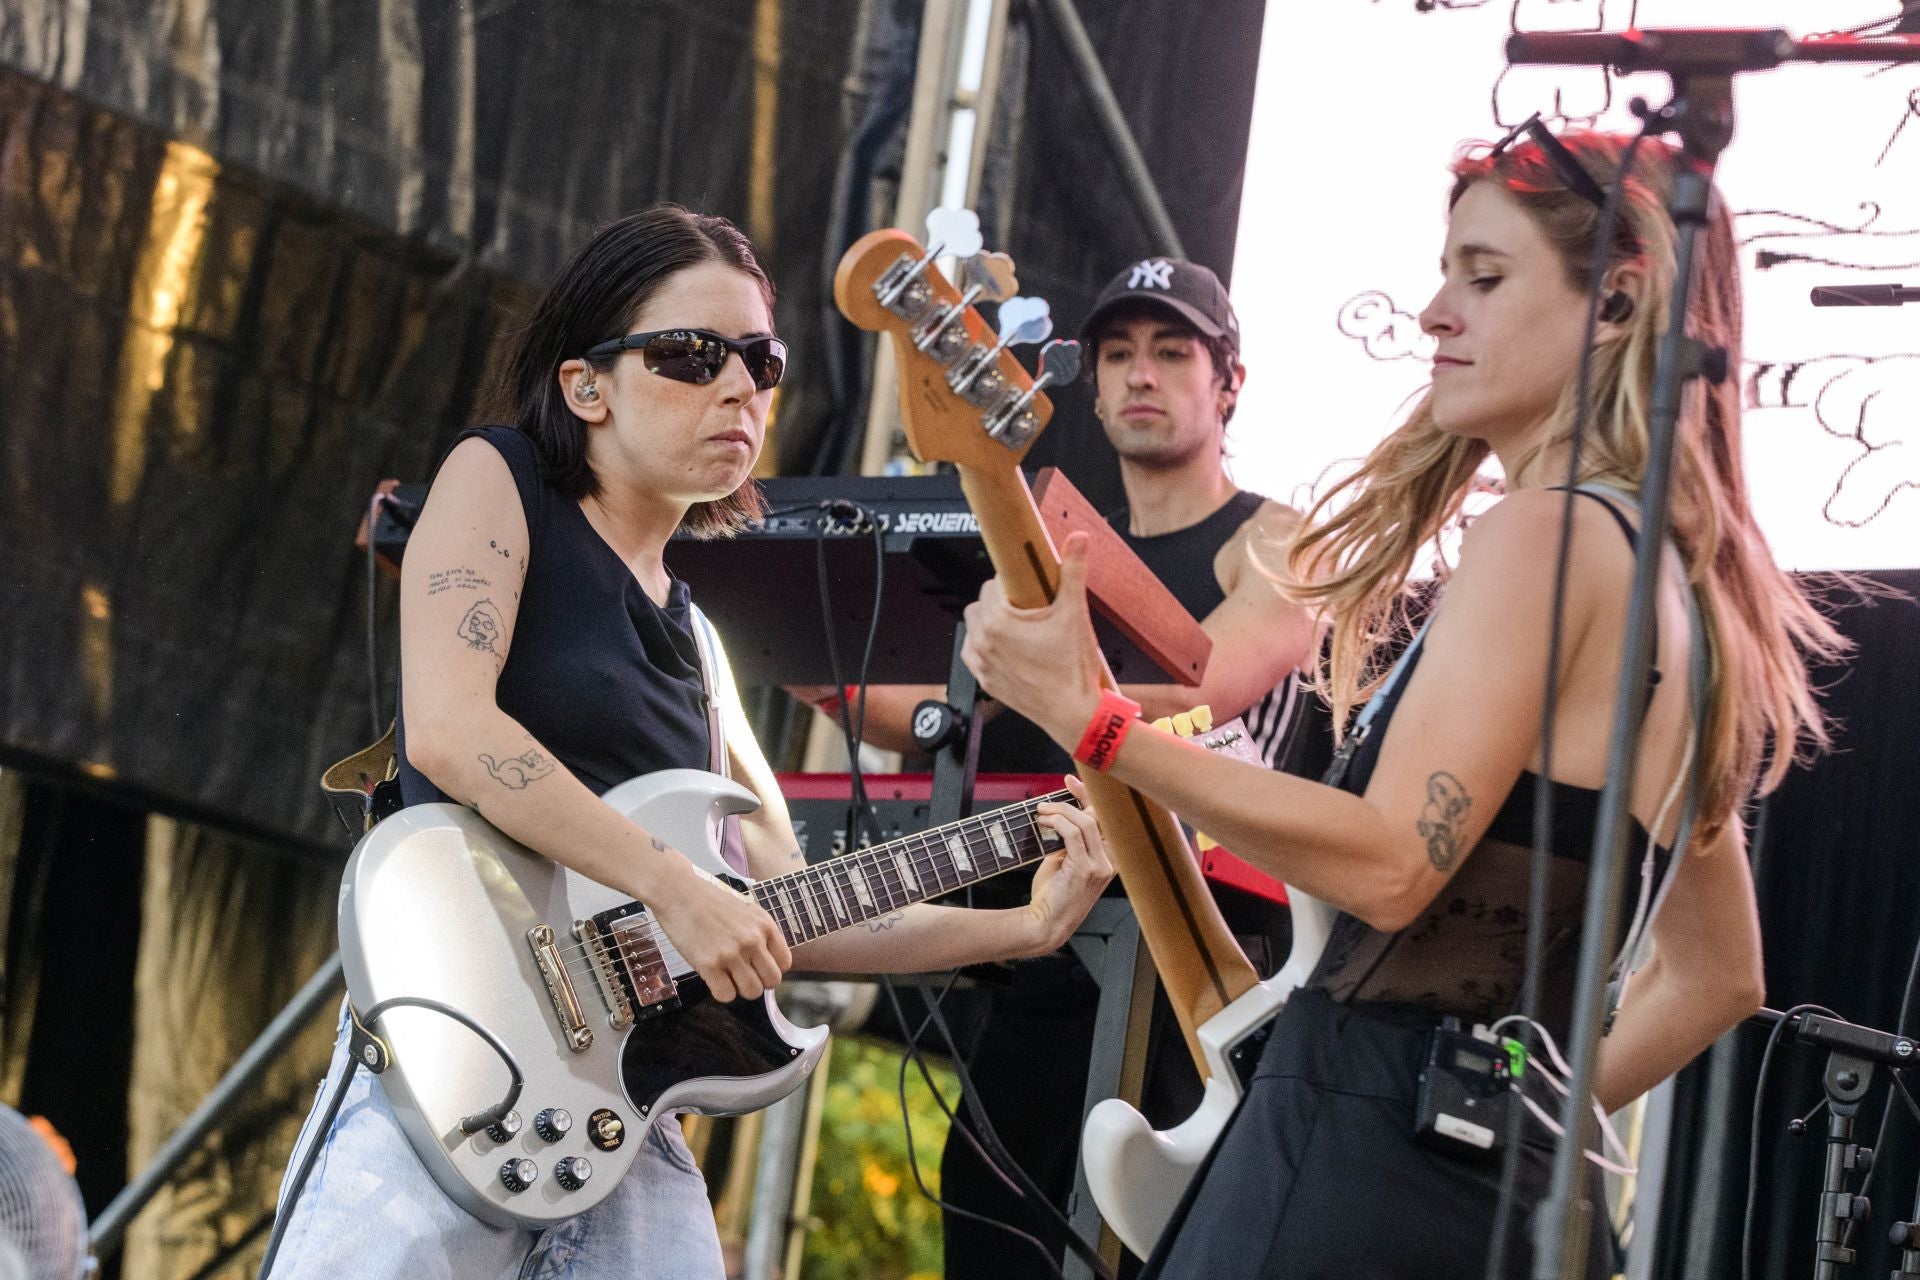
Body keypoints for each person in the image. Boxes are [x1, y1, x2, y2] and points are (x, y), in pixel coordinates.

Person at [960, 128, 1846, 1278]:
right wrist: (1522, 1105)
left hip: (1347, 1159)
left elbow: (1389, 863)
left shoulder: (1546, 532)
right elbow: (1721, 972)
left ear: (1617, 302)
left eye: (1482, 277)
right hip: (1496, 1192)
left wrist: (1096, 722)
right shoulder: (1678, 589)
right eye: (1443, 274)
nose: (1435, 312)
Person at [263, 205, 1114, 1280]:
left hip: (629, 1124)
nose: (738, 388)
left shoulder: (704, 650)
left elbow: (787, 908)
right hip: (446, 1056)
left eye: (761, 361)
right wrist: (672, 882)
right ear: (587, 385)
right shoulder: (504, 477)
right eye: (689, 354)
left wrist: (1022, 929)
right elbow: (453, 727)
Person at [814, 258, 1319, 1279]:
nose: (1141, 373)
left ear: (1230, 383)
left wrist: (1044, 676)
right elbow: (921, 721)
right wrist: (788, 625)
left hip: (1207, 959)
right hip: (1055, 928)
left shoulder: (1274, 535)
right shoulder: (1050, 545)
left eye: (1173, 351)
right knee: (989, 1207)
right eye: (1118, 353)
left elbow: (1197, 691)